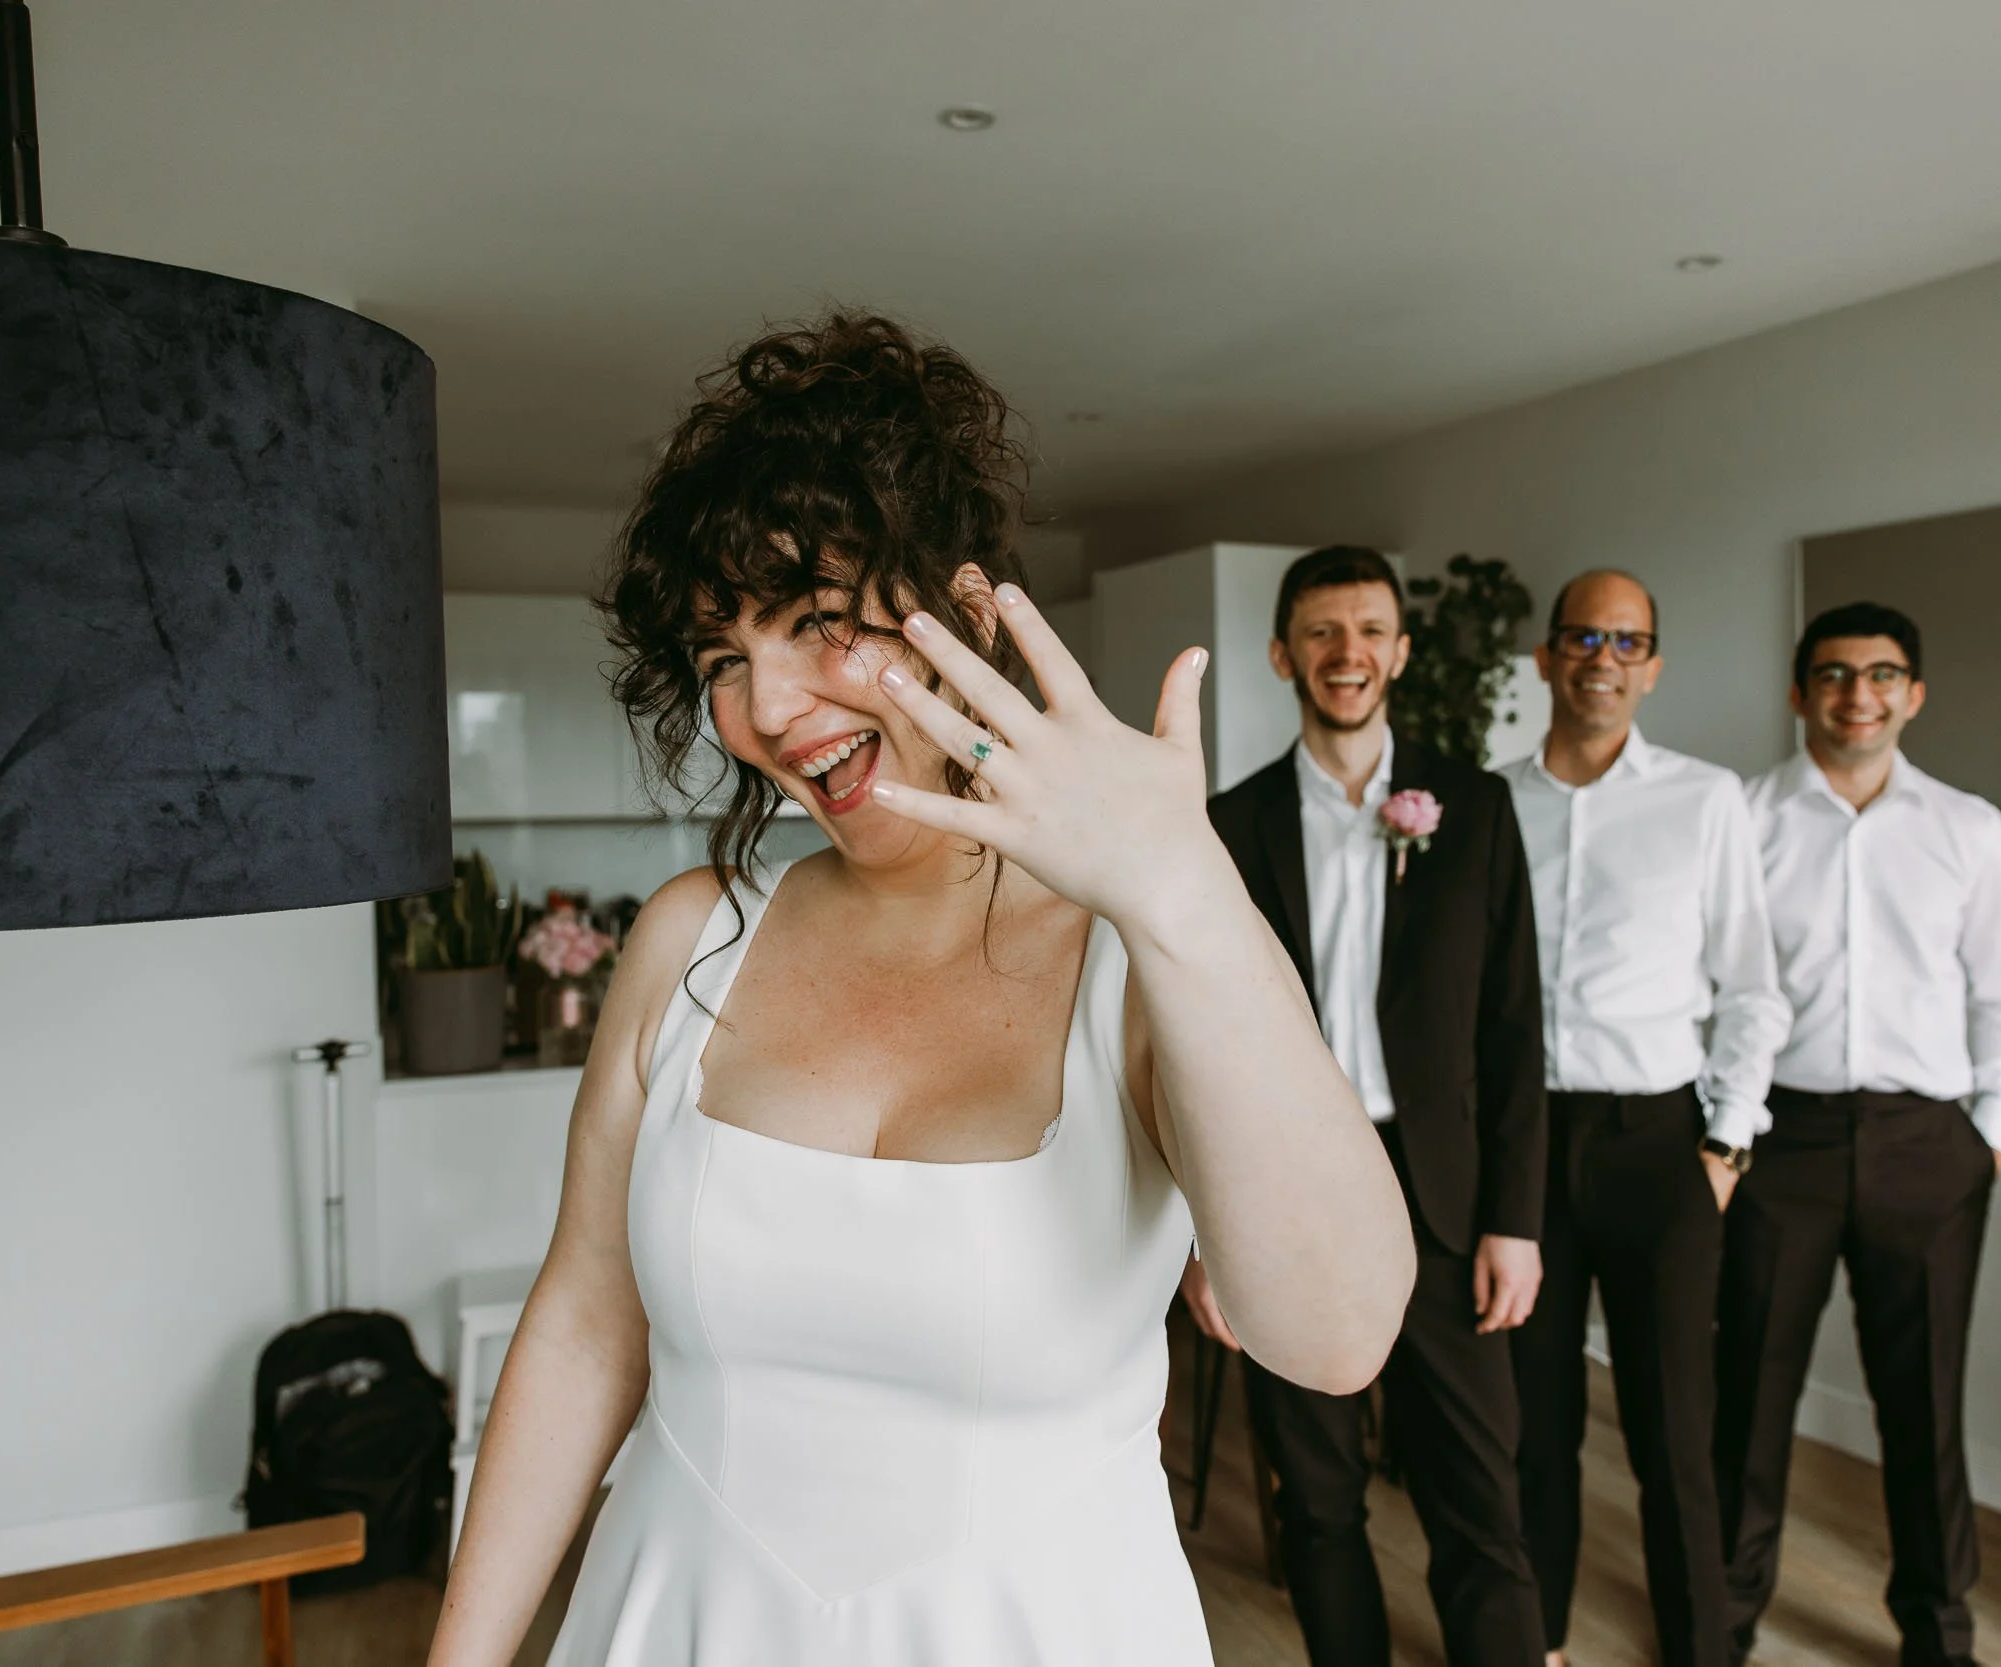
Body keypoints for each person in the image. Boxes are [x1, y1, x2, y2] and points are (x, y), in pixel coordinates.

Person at [424, 315, 1415, 1667]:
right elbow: (590, 1323)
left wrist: (1182, 890)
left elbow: (1336, 1335)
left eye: (816, 621)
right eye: (722, 659)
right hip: (679, 1617)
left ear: (965, 609)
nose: (769, 707)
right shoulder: (690, 937)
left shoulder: (1142, 956)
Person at [1187, 545, 1549, 1667]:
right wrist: (1207, 1237)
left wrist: (1515, 1219)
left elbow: (1513, 1029)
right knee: (1316, 1497)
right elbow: (1195, 1048)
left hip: (1443, 1198)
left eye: (1369, 630)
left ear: (1399, 650)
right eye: (1322, 631)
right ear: (1282, 653)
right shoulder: (1230, 824)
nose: (1346, 652)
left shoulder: (1475, 807)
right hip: (1284, 1198)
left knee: (1480, 1495)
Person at [1717, 602, 2001, 1667]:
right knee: (1750, 1391)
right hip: (1783, 1142)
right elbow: (1710, 984)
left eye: (1882, 674)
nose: (1857, 694)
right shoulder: (1742, 817)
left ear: (1914, 694)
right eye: (1834, 673)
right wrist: (1727, 1135)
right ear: (1799, 691)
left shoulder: (1968, 828)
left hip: (1928, 1146)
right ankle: (1721, 1618)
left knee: (1924, 1404)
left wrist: (1989, 1137)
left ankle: (1938, 1634)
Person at [1498, 570, 1789, 1667]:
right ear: (1546, 657)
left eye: (1626, 642)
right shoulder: (1488, 801)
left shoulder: (1707, 800)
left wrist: (1725, 1144)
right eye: (1583, 637)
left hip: (1659, 1145)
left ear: (1652, 666)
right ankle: (1537, 1641)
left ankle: (1700, 1647)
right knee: (1536, 1424)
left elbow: (1752, 987)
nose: (1602, 659)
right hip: (1523, 1148)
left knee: (1674, 1431)